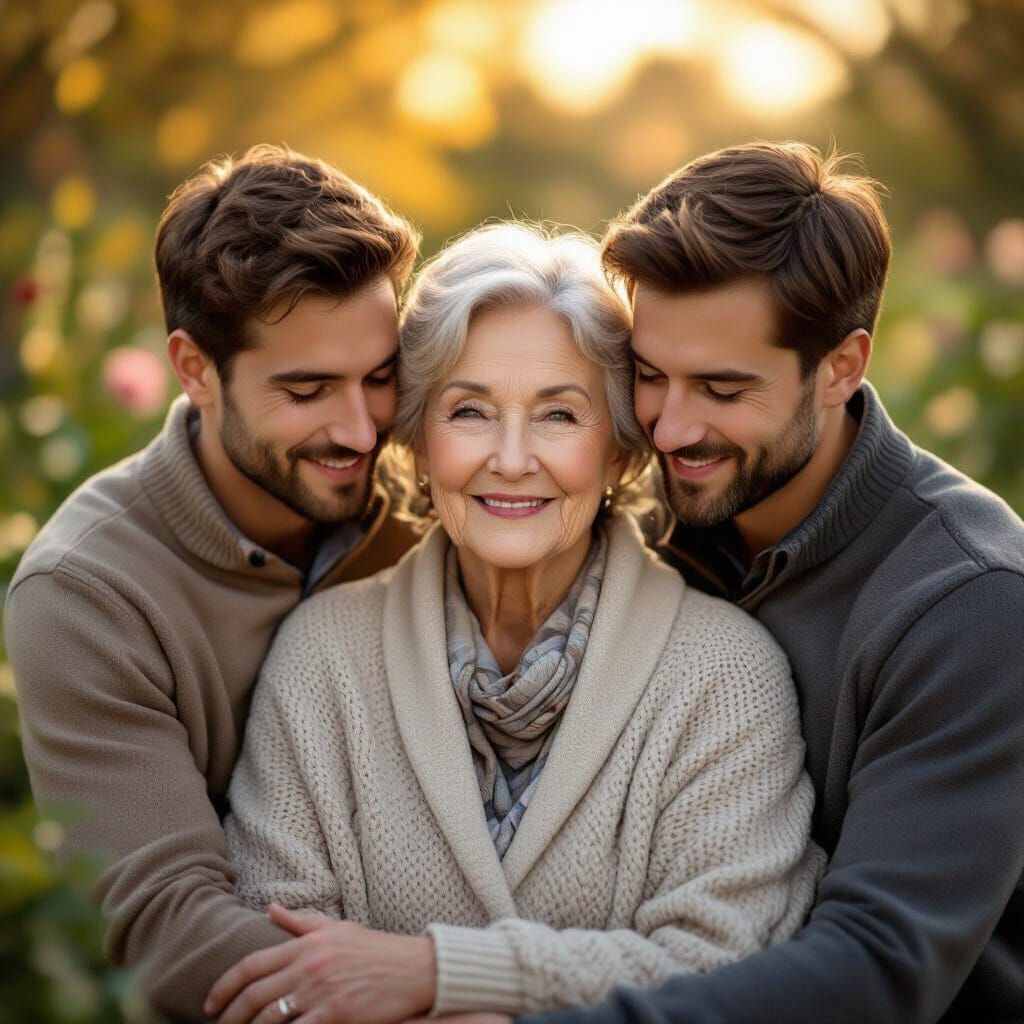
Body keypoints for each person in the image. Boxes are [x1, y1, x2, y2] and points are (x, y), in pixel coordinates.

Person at [205, 223, 823, 1024]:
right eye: (469, 411)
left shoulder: (726, 674)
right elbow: (281, 961)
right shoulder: (322, 656)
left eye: (559, 416)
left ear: (621, 452)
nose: (510, 457)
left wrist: (441, 974)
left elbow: (721, 964)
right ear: (417, 444)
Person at [499, 144, 1024, 1024]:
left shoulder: (972, 604)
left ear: (842, 367)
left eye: (722, 388)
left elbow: (878, 971)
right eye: (651, 375)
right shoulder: (642, 531)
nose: (671, 428)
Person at [4, 145, 422, 1022]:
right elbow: (169, 928)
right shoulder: (85, 592)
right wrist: (447, 1004)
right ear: (195, 370)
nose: (360, 430)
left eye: (380, 378)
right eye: (307, 391)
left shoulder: (444, 503)